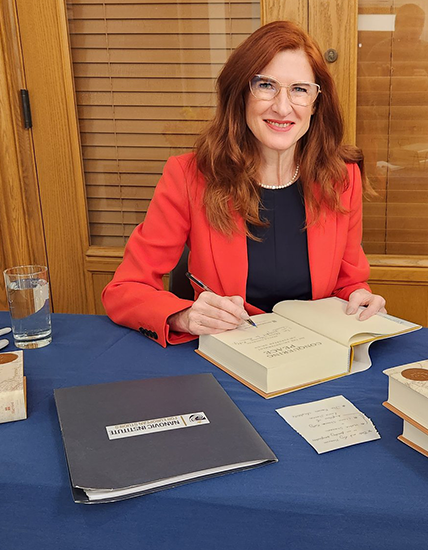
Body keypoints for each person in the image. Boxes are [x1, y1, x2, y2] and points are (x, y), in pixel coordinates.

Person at [102, 21, 387, 347]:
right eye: (266, 85)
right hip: (228, 356)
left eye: (299, 89)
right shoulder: (189, 176)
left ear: (316, 102)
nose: (282, 107)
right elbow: (124, 290)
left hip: (316, 354)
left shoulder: (341, 177)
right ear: (240, 94)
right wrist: (183, 316)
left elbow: (348, 282)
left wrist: (359, 297)